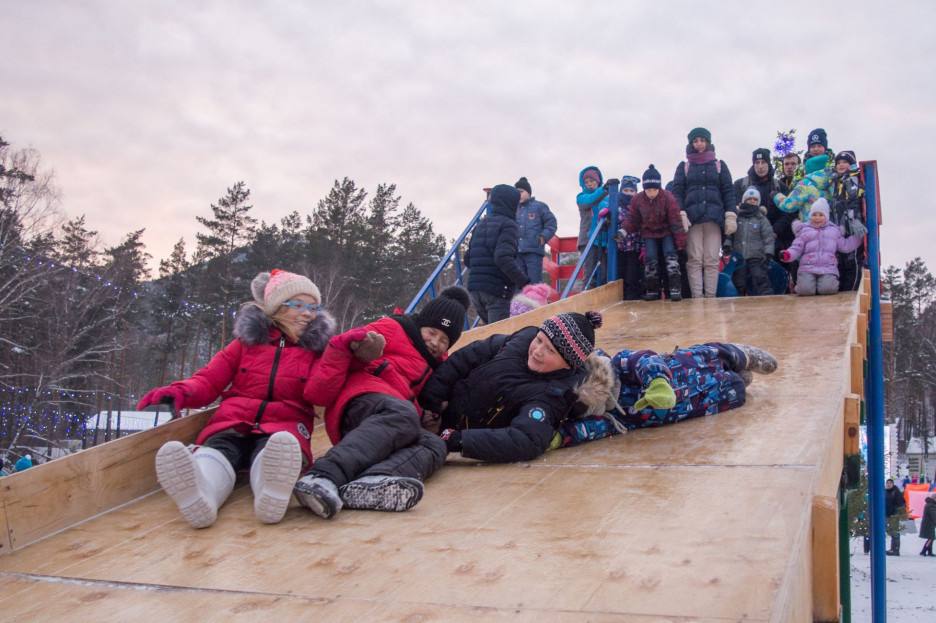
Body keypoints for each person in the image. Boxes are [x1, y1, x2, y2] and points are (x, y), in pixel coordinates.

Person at [139, 270, 336, 528]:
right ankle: (202, 495)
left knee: (277, 451)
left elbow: (322, 390)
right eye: (298, 305)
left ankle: (271, 493)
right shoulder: (245, 344)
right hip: (234, 420)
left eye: (313, 307)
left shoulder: (317, 352)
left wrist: (340, 356)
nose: (308, 313)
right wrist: (180, 391)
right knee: (217, 450)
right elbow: (210, 379)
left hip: (285, 424)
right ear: (276, 308)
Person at [293, 287, 469, 518]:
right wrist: (359, 347)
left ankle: (372, 481)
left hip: (392, 422)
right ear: (421, 324)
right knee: (404, 413)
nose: (435, 342)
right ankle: (321, 476)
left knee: (435, 445)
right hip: (360, 402)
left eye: (444, 340)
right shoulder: (393, 329)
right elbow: (344, 345)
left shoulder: (439, 367)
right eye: (432, 332)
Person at [419, 311, 604, 463]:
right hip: (439, 413)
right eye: (539, 340)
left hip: (454, 437)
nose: (538, 352)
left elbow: (525, 439)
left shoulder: (553, 395)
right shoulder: (518, 343)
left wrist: (459, 440)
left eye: (551, 351)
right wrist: (432, 400)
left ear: (567, 364)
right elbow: (466, 357)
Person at [553, 342, 777, 447]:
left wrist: (657, 382)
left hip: (688, 364)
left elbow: (645, 359)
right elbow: (589, 430)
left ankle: (744, 355)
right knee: (734, 387)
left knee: (716, 354)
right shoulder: (615, 418)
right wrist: (559, 438)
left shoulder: (620, 364)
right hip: (706, 400)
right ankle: (740, 379)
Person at [672, 127, 736, 298]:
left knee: (712, 260)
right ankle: (697, 298)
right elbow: (677, 191)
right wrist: (681, 212)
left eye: (702, 140)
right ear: (691, 143)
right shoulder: (684, 167)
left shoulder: (719, 165)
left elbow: (728, 190)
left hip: (714, 218)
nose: (699, 143)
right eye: (695, 141)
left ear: (708, 142)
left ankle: (710, 297)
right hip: (692, 219)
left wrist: (730, 214)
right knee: (694, 260)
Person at [465, 184, 529, 324]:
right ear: (511, 204)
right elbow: (502, 258)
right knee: (499, 338)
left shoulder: (481, 224)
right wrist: (524, 282)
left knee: (490, 337)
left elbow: (467, 259)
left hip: (475, 290)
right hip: (497, 292)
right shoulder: (509, 225)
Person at [621, 165, 685, 301]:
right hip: (649, 233)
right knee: (650, 259)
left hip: (666, 231)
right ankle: (652, 290)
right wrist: (624, 230)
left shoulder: (667, 197)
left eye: (654, 189)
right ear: (644, 189)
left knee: (670, 257)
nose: (651, 193)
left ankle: (675, 288)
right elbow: (632, 218)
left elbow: (675, 220)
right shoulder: (637, 199)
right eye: (648, 189)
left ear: (659, 188)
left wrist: (680, 242)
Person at [781, 199, 865, 296]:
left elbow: (845, 245)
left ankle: (823, 285)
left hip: (827, 268)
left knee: (827, 289)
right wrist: (788, 254)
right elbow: (796, 247)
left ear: (827, 217)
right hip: (808, 267)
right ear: (810, 216)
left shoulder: (834, 231)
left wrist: (860, 238)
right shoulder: (804, 230)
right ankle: (803, 285)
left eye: (821, 215)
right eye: (814, 215)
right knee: (805, 291)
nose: (817, 218)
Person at [724, 188, 776, 296]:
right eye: (749, 199)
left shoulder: (761, 219)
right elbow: (730, 233)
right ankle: (739, 299)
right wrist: (727, 244)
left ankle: (767, 297)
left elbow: (768, 237)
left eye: (755, 199)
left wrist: (768, 253)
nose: (752, 201)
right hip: (739, 255)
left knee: (760, 277)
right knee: (739, 280)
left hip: (756, 255)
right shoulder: (737, 217)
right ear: (744, 201)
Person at [828, 151, 866, 291]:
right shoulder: (838, 181)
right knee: (841, 262)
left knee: (852, 261)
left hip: (851, 228)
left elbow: (853, 201)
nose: (841, 165)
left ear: (851, 164)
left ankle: (853, 292)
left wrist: (854, 219)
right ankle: (844, 290)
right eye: (838, 163)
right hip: (839, 228)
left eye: (844, 162)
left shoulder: (852, 179)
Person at [514, 177, 558, 285]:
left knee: (534, 282)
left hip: (533, 250)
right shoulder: (513, 209)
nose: (518, 195)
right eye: (516, 192)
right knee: (518, 282)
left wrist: (543, 237)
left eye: (521, 192)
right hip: (516, 252)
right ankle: (519, 302)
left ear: (528, 192)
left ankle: (536, 301)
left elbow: (551, 223)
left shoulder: (539, 207)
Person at [576, 166, 612, 288]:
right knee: (590, 271)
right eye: (586, 182)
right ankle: (586, 296)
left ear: (598, 181)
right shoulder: (581, 197)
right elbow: (590, 201)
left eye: (592, 181)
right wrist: (604, 189)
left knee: (603, 272)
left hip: (603, 239)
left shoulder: (607, 198)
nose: (589, 184)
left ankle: (602, 298)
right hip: (588, 240)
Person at [614, 175, 644, 300]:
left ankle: (632, 298)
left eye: (632, 191)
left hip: (634, 246)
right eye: (625, 190)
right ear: (621, 191)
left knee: (632, 274)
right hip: (620, 246)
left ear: (636, 193)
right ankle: (622, 297)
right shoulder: (616, 205)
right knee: (620, 274)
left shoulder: (638, 207)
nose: (628, 193)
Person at [884, 478, 907, 556]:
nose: (888, 484)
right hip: (886, 514)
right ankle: (892, 549)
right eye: (887, 483)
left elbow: (901, 504)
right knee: (890, 532)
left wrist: (897, 513)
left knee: (895, 532)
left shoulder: (896, 492)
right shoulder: (885, 492)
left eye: (890, 483)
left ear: (893, 484)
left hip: (894, 515)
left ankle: (896, 550)